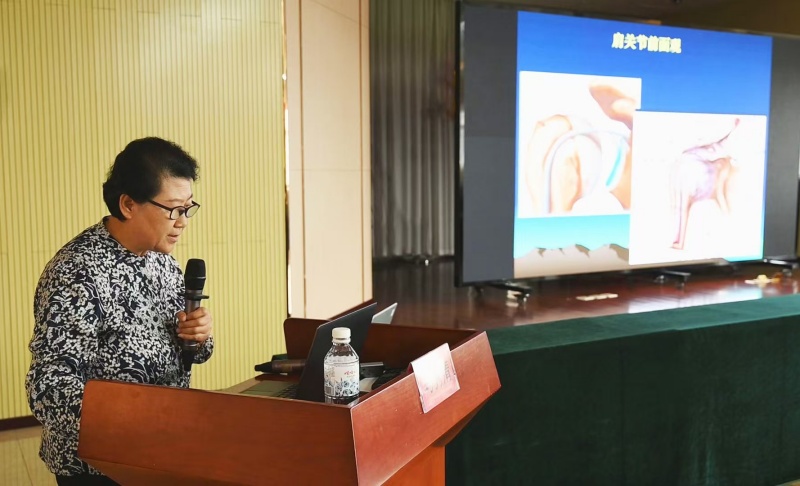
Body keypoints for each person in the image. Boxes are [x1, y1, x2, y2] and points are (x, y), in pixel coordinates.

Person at [25, 137, 214, 485]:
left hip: (160, 451)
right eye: (174, 209)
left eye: (188, 208)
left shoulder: (162, 261)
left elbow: (186, 353)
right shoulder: (77, 273)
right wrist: (138, 422)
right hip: (99, 466)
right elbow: (49, 388)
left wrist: (198, 336)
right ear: (128, 204)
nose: (183, 221)